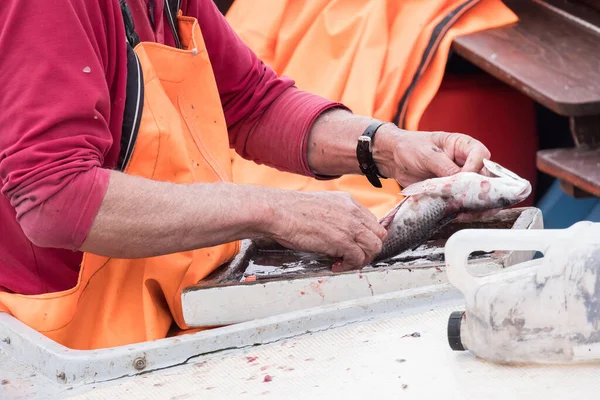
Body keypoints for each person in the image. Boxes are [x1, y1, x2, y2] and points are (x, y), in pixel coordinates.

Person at [0, 0, 490, 350]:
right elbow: (53, 196)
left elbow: (251, 101)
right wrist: (272, 210)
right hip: (61, 344)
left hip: (169, 299)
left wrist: (388, 147)